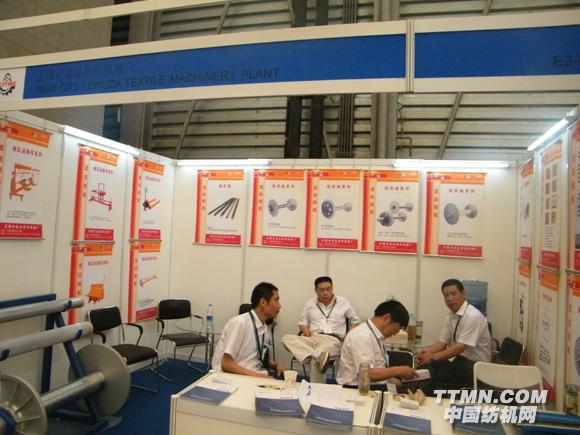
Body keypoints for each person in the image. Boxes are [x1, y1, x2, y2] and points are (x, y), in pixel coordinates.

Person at [415, 278, 492, 392]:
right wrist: (425, 353)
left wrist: (431, 358)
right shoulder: (451, 315)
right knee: (425, 367)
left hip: (475, 367)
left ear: (463, 294)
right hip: (459, 362)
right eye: (446, 295)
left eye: (453, 294)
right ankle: (421, 396)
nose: (450, 298)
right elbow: (442, 342)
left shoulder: (473, 316)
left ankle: (426, 397)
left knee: (434, 373)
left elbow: (460, 347)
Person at [282, 276, 360, 383]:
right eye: (322, 290)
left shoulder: (343, 302)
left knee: (316, 360)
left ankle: (315, 387)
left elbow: (355, 321)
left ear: (332, 288)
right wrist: (306, 331)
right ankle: (317, 355)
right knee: (286, 339)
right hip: (312, 338)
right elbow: (302, 323)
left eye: (328, 289)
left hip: (333, 340)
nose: (325, 293)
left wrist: (348, 337)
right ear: (316, 290)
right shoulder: (309, 304)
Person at [336, 299, 417, 387]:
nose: (395, 334)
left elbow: (379, 369)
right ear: (387, 318)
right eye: (396, 329)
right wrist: (399, 371)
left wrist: (399, 382)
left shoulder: (376, 335)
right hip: (355, 388)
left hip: (372, 385)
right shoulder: (362, 336)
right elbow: (367, 373)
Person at [212, 282, 284, 378]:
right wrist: (259, 377)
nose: (279, 306)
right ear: (263, 302)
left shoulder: (263, 327)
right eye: (276, 300)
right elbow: (226, 364)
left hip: (250, 374)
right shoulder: (240, 324)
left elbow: (254, 358)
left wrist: (274, 365)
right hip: (227, 377)